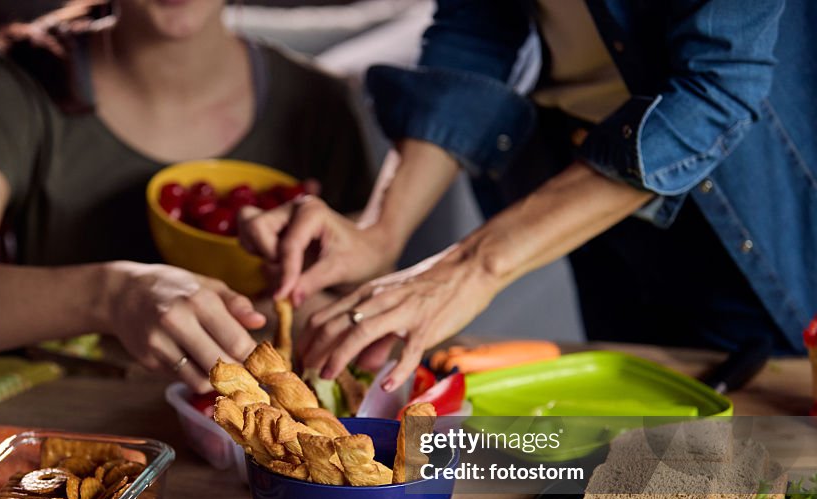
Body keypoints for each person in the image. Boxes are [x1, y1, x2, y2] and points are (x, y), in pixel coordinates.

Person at [240, 0, 817, 392]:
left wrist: (472, 266)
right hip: (583, 173)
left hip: (748, 191)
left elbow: (716, 87)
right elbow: (478, 27)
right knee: (642, 437)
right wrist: (381, 230)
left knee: (764, 438)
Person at [0, 0, 373, 392]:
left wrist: (298, 287)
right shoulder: (23, 80)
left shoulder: (322, 104)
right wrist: (111, 295)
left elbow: (374, 337)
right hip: (66, 435)